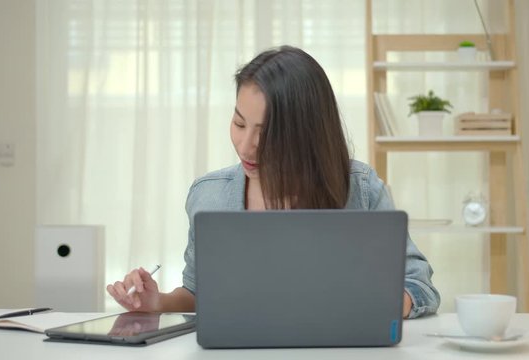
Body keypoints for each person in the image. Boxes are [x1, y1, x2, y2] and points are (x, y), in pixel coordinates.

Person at [107, 45, 440, 319]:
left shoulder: (362, 188)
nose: (246, 145)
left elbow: (419, 285)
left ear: (306, 133)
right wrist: (158, 303)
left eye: (265, 133)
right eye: (239, 124)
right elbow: (198, 293)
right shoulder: (208, 194)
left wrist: (372, 310)